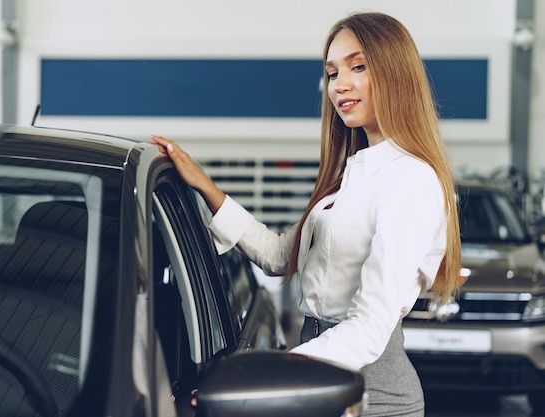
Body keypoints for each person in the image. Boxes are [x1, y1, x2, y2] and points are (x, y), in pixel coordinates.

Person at [152, 11, 461, 417]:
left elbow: (369, 331)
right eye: (332, 73)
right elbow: (281, 255)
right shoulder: (351, 173)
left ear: (395, 72)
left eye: (358, 66)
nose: (340, 85)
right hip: (320, 368)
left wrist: (272, 374)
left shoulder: (410, 179)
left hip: (369, 394)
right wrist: (205, 187)